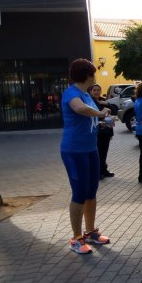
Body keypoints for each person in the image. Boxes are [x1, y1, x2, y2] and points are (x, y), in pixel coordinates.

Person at [60, 58, 111, 254]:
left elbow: (89, 117)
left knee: (91, 192)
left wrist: (103, 121)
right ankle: (76, 238)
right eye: (94, 73)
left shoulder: (87, 95)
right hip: (74, 151)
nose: (95, 76)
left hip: (91, 150)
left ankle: (90, 233)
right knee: (79, 194)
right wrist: (100, 114)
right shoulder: (71, 93)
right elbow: (80, 109)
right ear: (88, 75)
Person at [89, 84, 115, 180]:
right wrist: (101, 121)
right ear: (91, 92)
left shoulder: (102, 100)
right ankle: (98, 172)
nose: (96, 92)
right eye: (94, 90)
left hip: (106, 131)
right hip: (97, 131)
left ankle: (104, 170)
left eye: (98, 90)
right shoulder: (90, 102)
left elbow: (113, 110)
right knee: (98, 152)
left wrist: (107, 104)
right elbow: (92, 116)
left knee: (104, 152)